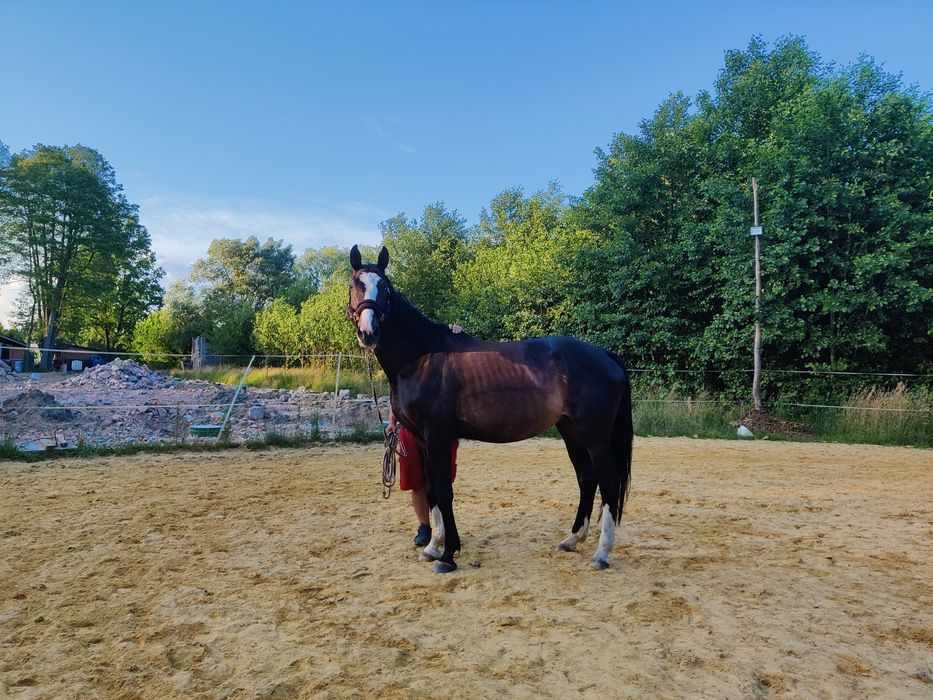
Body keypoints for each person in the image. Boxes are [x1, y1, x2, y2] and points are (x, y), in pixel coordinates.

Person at [387, 323, 463, 547]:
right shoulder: (403, 364)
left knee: (441, 477)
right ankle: (425, 526)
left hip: (440, 425)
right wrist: (392, 422)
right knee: (416, 479)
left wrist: (455, 334)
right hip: (410, 426)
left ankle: (444, 527)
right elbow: (397, 395)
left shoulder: (438, 361)